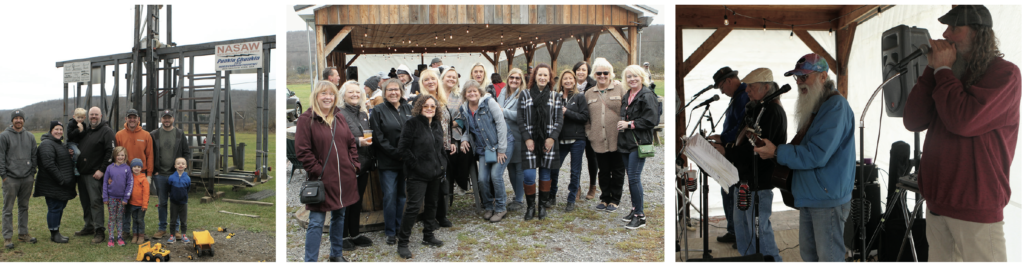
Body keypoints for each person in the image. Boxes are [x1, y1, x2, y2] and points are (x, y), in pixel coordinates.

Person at [903, 5, 1020, 262]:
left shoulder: (1005, 74)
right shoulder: (946, 72)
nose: (945, 34)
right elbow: (912, 121)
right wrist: (933, 70)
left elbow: (964, 121)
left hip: (976, 207)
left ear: (978, 34)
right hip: (938, 203)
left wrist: (943, 71)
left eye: (954, 28)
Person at [753, 53, 856, 262]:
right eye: (797, 77)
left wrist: (776, 152)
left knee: (828, 257)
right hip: (811, 195)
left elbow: (817, 155)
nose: (799, 83)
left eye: (804, 77)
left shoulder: (836, 107)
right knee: (809, 255)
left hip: (827, 198)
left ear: (822, 77)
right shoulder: (818, 106)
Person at [295, 81, 360, 262]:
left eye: (331, 94)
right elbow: (302, 150)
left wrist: (354, 164)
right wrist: (318, 171)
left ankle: (336, 254)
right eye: (323, 93)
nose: (328, 97)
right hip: (322, 181)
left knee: (339, 217)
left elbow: (350, 142)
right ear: (316, 96)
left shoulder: (339, 117)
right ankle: (311, 260)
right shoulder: (306, 120)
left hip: (344, 178)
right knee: (316, 223)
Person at [727, 68, 786, 261]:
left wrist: (728, 152)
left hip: (760, 180)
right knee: (742, 228)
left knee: (759, 229)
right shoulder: (755, 109)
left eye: (752, 87)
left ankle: (772, 260)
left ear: (766, 87)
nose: (747, 90)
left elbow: (759, 147)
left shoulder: (773, 111)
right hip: (743, 178)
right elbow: (743, 141)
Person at [396, 95, 447, 259]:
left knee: (432, 205)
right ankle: (402, 243)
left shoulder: (437, 124)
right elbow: (403, 149)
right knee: (413, 207)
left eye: (433, 106)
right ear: (419, 107)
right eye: (426, 106)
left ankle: (428, 235)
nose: (430, 108)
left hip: (435, 173)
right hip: (417, 175)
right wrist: (416, 166)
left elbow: (440, 148)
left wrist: (442, 164)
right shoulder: (411, 124)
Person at [706, 66, 749, 246]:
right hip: (731, 148)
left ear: (729, 81)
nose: (722, 92)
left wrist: (723, 138)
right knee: (728, 190)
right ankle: (733, 230)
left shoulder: (743, 97)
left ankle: (738, 232)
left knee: (733, 191)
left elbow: (742, 127)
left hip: (737, 152)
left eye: (722, 87)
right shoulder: (737, 97)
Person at [460, 80, 513, 222]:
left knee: (495, 176)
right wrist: (464, 139)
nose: (472, 93)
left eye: (474, 91)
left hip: (501, 144)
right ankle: (489, 206)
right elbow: (468, 129)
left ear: (480, 92)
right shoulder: (464, 108)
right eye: (469, 91)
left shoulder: (489, 103)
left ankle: (501, 208)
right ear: (465, 94)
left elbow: (501, 125)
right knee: (482, 179)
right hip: (484, 149)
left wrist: (502, 150)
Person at [412, 68, 456, 228]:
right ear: (422, 83)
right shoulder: (420, 100)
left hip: (443, 149)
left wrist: (450, 142)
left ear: (438, 81)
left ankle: (442, 215)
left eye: (433, 79)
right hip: (427, 149)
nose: (430, 82)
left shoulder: (442, 101)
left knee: (442, 182)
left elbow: (447, 125)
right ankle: (429, 218)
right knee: (430, 184)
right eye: (426, 80)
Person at [518, 63, 563, 220]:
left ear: (550, 78)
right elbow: (521, 119)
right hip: (530, 142)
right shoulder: (525, 95)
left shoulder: (555, 96)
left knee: (545, 175)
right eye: (540, 74)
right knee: (529, 176)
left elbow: (559, 120)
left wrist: (551, 138)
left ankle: (542, 206)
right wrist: (527, 138)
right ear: (534, 76)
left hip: (548, 142)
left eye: (546, 75)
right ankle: (530, 207)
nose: (542, 77)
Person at [370, 78, 412, 246]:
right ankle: (390, 231)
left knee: (402, 196)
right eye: (390, 90)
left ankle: (399, 227)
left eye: (397, 89)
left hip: (405, 161)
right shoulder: (378, 110)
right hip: (388, 162)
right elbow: (378, 138)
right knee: (389, 196)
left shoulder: (408, 108)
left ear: (401, 91)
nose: (394, 92)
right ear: (384, 92)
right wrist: (397, 153)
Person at [617, 65, 659, 230]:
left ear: (642, 77)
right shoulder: (628, 94)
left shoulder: (647, 95)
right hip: (626, 142)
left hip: (639, 142)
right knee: (631, 177)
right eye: (628, 77)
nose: (632, 79)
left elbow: (651, 120)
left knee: (634, 177)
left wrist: (629, 124)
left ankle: (640, 216)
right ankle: (634, 209)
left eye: (635, 76)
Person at [585, 58, 626, 213]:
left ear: (611, 74)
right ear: (594, 74)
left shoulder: (620, 89)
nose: (602, 76)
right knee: (603, 170)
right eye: (599, 73)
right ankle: (604, 198)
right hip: (598, 138)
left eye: (605, 73)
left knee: (617, 170)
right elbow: (586, 117)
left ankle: (615, 199)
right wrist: (589, 132)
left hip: (617, 137)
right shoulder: (589, 93)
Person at [337, 81, 374, 250]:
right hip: (347, 164)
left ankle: (355, 233)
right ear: (343, 94)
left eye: (357, 92)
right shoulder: (339, 114)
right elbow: (336, 139)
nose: (354, 95)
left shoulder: (363, 113)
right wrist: (358, 141)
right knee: (346, 202)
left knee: (357, 201)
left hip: (363, 163)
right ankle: (342, 236)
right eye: (350, 92)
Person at [73, 107, 116, 244]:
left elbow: (111, 152)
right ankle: (89, 226)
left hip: (95, 175)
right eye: (91, 115)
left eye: (96, 115)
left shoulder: (106, 131)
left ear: (101, 115)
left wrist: (102, 170)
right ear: (88, 116)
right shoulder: (85, 131)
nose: (93, 117)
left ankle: (99, 231)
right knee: (85, 203)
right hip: (82, 174)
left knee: (96, 203)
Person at [33, 121, 76, 244]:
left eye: (61, 129)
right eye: (56, 129)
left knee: (59, 207)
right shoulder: (47, 144)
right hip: (53, 183)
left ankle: (56, 230)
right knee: (54, 208)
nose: (59, 132)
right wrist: (61, 180)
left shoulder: (59, 143)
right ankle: (54, 233)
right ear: (51, 130)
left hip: (60, 184)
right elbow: (49, 165)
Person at [149, 109, 189, 241]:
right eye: (164, 118)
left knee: (176, 201)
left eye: (169, 118)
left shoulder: (179, 133)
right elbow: (149, 153)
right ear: (161, 119)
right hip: (160, 174)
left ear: (173, 119)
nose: (167, 120)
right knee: (162, 202)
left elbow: (186, 152)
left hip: (175, 174)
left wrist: (183, 168)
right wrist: (154, 168)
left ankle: (176, 229)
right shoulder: (154, 134)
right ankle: (162, 228)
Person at [1, 110, 38, 249]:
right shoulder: (4, 136)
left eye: (20, 118)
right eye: (15, 118)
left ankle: (23, 233)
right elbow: (1, 157)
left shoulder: (30, 136)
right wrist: (4, 176)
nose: (18, 120)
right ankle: (7, 237)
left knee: (24, 207)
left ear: (23, 120)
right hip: (10, 179)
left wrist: (32, 173)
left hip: (27, 178)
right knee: (7, 209)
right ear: (12, 121)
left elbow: (34, 155)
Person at [553, 70, 588, 211]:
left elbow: (584, 117)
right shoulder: (557, 97)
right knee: (554, 168)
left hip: (577, 139)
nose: (568, 81)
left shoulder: (579, 97)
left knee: (575, 171)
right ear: (561, 81)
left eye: (570, 78)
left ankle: (571, 199)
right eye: (565, 79)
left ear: (574, 80)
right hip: (560, 139)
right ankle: (551, 195)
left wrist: (567, 112)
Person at [496, 68, 527, 211]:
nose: (514, 80)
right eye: (512, 77)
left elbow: (522, 115)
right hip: (504, 136)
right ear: (507, 79)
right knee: (510, 168)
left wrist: (503, 112)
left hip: (518, 135)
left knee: (519, 168)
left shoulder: (523, 95)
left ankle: (520, 199)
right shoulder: (502, 93)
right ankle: (517, 196)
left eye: (517, 78)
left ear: (521, 81)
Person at [441, 67, 471, 199]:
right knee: (449, 156)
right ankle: (447, 192)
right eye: (449, 76)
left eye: (454, 77)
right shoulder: (437, 94)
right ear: (442, 78)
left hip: (456, 134)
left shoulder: (459, 97)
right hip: (439, 136)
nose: (452, 79)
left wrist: (450, 123)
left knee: (463, 152)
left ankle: (460, 183)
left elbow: (462, 119)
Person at [572, 61, 600, 200]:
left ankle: (593, 185)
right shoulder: (570, 84)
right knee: (576, 159)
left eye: (583, 69)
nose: (580, 72)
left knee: (592, 158)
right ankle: (576, 187)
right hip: (575, 127)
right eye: (578, 69)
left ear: (587, 72)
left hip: (590, 126)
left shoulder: (594, 85)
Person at [101, 146, 132, 247]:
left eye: (122, 155)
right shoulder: (110, 168)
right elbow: (105, 182)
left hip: (122, 199)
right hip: (111, 198)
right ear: (114, 156)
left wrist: (126, 198)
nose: (120, 157)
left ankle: (119, 236)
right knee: (112, 218)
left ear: (125, 156)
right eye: (118, 155)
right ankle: (111, 237)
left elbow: (129, 184)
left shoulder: (127, 168)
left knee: (119, 218)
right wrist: (105, 197)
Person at [115, 109, 153, 179]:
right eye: (130, 118)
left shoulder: (146, 135)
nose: (132, 120)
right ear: (126, 119)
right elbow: (115, 156)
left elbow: (150, 155)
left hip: (141, 172)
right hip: (123, 172)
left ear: (138, 119)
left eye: (134, 118)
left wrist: (149, 175)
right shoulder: (119, 135)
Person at [166, 157, 192, 245]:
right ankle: (172, 235)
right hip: (174, 202)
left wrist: (183, 196)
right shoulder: (171, 177)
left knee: (183, 220)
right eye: (178, 163)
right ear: (175, 166)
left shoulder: (187, 178)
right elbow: (169, 188)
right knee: (173, 220)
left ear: (186, 166)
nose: (180, 165)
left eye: (182, 163)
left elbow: (188, 188)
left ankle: (184, 235)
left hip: (183, 203)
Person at [126, 158, 149, 245]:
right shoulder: (130, 177)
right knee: (134, 219)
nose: (136, 168)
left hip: (141, 205)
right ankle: (135, 235)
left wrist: (144, 205)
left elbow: (146, 193)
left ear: (141, 168)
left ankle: (141, 235)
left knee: (140, 220)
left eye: (139, 166)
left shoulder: (143, 179)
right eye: (134, 166)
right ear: (131, 167)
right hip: (132, 204)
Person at [67, 108, 88, 177]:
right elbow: (69, 136)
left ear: (84, 117)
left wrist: (82, 131)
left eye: (82, 117)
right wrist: (78, 129)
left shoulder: (84, 125)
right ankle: (73, 166)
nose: (80, 119)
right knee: (77, 152)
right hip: (71, 142)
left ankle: (80, 167)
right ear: (74, 117)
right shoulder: (71, 123)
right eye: (78, 117)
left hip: (79, 143)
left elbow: (83, 136)